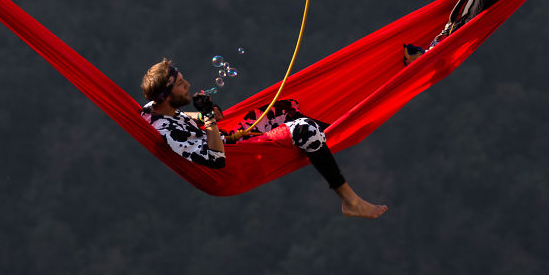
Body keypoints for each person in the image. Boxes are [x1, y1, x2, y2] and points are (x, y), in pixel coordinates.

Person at [140, 59, 387, 219]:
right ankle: (350, 200)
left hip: (232, 140)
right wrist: (208, 120)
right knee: (304, 129)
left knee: (283, 108)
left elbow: (176, 115)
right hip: (231, 164)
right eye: (181, 84)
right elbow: (215, 160)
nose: (188, 85)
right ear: (166, 95)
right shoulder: (167, 131)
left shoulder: (155, 109)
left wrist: (202, 115)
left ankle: (347, 124)